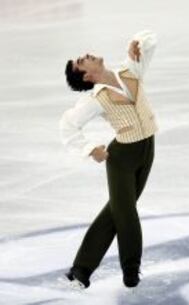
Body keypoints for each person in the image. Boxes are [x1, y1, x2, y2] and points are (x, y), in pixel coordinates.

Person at [58, 30, 159, 289]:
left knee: (114, 212)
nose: (86, 56)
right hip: (121, 159)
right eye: (82, 61)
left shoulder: (130, 70)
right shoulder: (96, 98)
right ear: (87, 76)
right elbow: (68, 125)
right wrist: (91, 148)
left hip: (147, 149)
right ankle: (131, 272)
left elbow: (151, 41)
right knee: (126, 215)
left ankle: (80, 270)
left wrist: (138, 42)